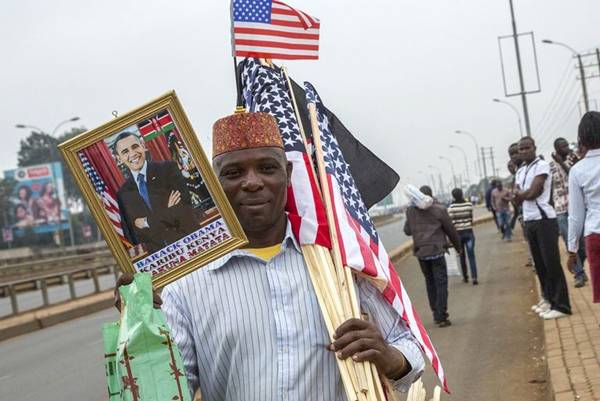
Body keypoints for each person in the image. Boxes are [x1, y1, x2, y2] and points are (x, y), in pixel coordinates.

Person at [116, 112, 424, 400]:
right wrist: (140, 331)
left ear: (287, 174)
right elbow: (162, 392)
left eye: (267, 168)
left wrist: (387, 356)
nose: (252, 182)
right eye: (234, 173)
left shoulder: (338, 264)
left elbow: (408, 347)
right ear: (215, 183)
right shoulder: (183, 287)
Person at [514, 136, 571, 319]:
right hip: (530, 220)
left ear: (534, 147)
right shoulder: (521, 170)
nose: (523, 151)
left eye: (527, 148)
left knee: (551, 263)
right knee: (540, 264)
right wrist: (522, 194)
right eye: (521, 149)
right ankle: (549, 299)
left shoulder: (542, 166)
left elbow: (534, 192)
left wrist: (521, 194)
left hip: (544, 219)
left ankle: (562, 305)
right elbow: (518, 195)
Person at [114, 131, 198, 254]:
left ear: (143, 146)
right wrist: (167, 211)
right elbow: (134, 235)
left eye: (135, 146)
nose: (132, 154)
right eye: (125, 152)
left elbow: (183, 208)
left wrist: (146, 222)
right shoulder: (123, 194)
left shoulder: (168, 169)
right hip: (159, 257)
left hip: (192, 242)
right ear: (119, 159)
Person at [404, 185, 461, 327]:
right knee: (441, 284)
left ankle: (436, 312)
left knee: (430, 283)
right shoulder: (439, 209)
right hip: (437, 252)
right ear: (431, 195)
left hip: (422, 253)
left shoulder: (411, 211)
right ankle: (441, 316)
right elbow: (450, 230)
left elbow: (407, 231)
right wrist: (458, 247)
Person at [568, 111, 600, 303]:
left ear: (582, 139)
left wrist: (572, 250)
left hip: (595, 236)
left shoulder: (577, 170)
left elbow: (576, 216)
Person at [550, 137, 588, 288]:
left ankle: (580, 265)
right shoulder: (551, 166)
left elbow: (574, 175)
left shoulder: (575, 160)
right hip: (560, 209)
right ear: (556, 148)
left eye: (566, 145)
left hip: (577, 206)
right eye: (562, 146)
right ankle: (579, 274)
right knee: (570, 244)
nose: (566, 148)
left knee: (583, 243)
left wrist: (561, 161)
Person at [448, 188, 479, 284]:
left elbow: (451, 223)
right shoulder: (469, 205)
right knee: (471, 256)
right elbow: (471, 218)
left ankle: (465, 277)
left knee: (462, 256)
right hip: (469, 232)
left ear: (453, 196)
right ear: (462, 194)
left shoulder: (451, 208)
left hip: (458, 235)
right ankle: (474, 277)